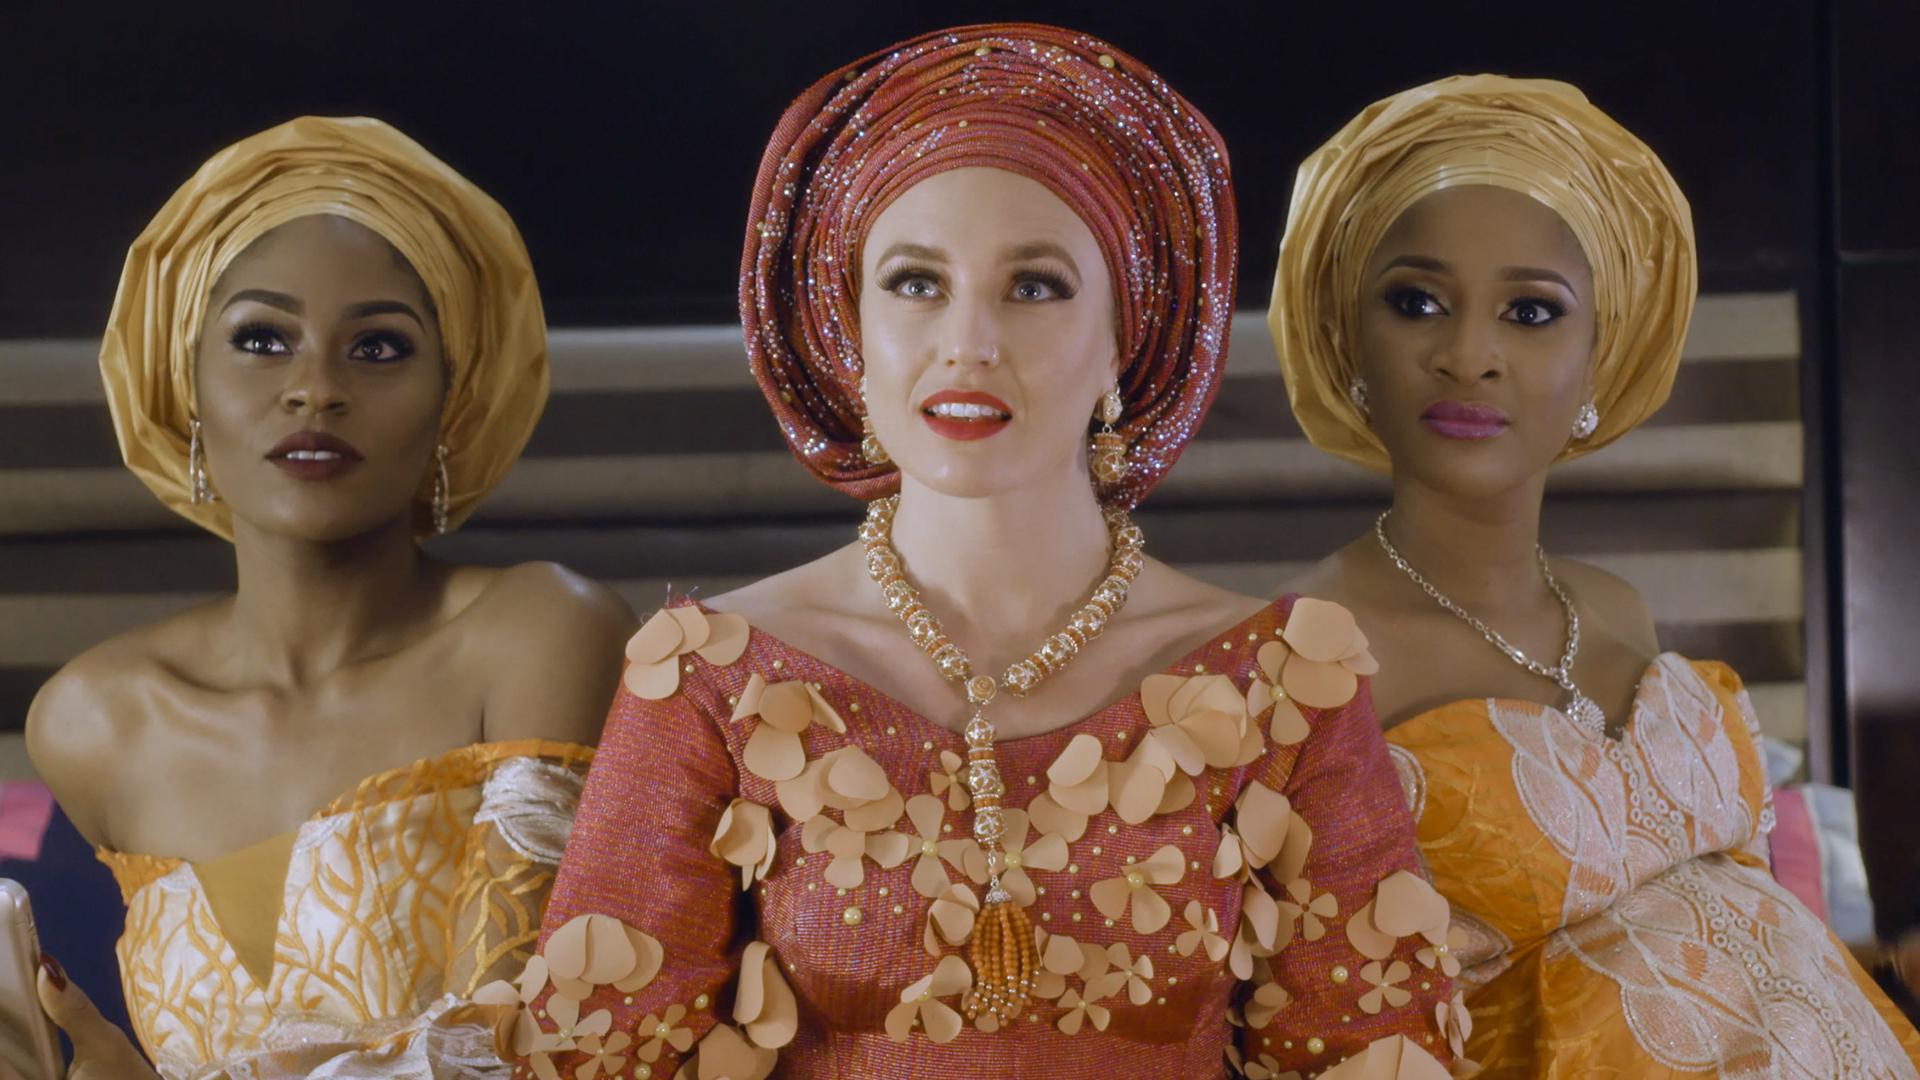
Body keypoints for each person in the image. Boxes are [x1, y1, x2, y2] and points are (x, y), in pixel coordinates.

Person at [509, 25, 1458, 1080]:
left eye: (1035, 286)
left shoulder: (1280, 681)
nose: (968, 342)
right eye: (915, 283)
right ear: (849, 332)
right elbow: (591, 1060)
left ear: (1125, 339)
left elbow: (1373, 1051)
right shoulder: (711, 676)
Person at [1271, 74, 1920, 1075]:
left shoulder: (1617, 605)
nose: (1469, 354)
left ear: (1597, 357)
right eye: (1416, 302)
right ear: (1348, 337)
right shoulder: (1304, 653)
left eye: (1531, 311)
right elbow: (1300, 1016)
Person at [21, 116, 635, 1080]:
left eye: (380, 347)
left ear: (453, 400)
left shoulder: (543, 631)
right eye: (262, 338)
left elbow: (509, 1052)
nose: (316, 388)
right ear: (186, 386)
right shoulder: (92, 722)